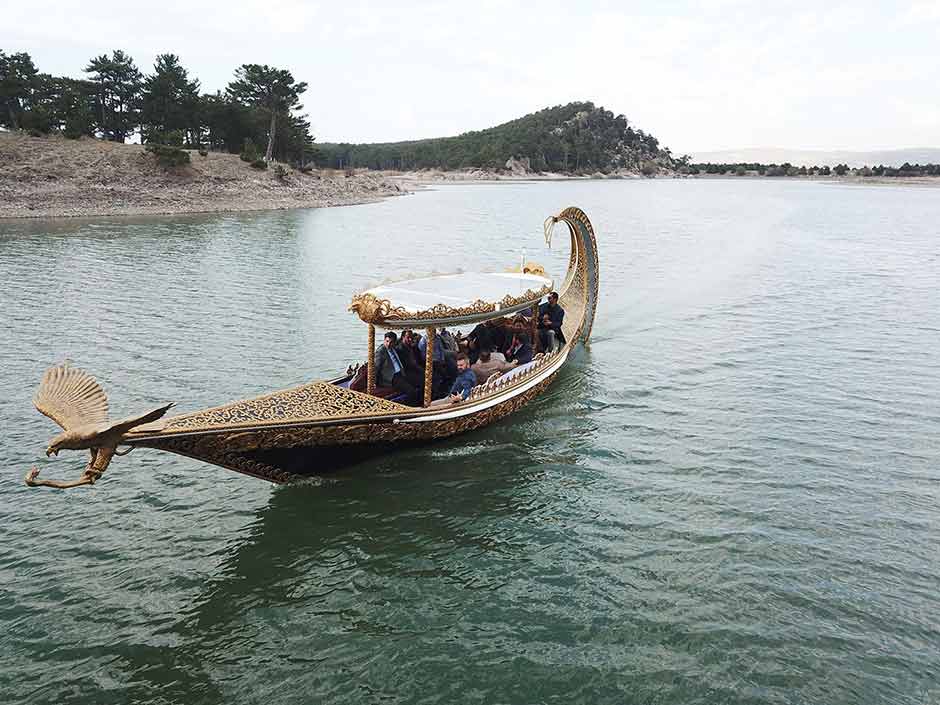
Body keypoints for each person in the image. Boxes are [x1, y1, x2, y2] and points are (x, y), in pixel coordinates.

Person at [374, 331, 419, 405]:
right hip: (390, 377)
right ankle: (407, 406)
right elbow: (376, 367)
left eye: (391, 342)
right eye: (387, 341)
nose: (388, 344)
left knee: (418, 382)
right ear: (384, 340)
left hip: (400, 373)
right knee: (411, 390)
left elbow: (402, 340)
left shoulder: (393, 348)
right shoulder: (381, 351)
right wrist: (374, 382)